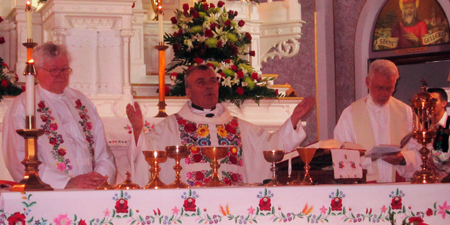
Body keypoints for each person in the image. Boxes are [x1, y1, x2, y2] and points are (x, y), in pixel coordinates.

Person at [126, 64, 315, 186]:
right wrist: (137, 130)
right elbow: (146, 152)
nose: (209, 86)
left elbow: (273, 146)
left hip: (232, 206)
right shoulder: (170, 127)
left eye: (213, 81)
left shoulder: (239, 127)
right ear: (188, 91)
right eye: (201, 82)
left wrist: (294, 119)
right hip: (189, 206)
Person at [2, 43, 116, 189]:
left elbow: (103, 153)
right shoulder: (22, 105)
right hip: (51, 193)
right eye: (54, 70)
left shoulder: (81, 101)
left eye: (64, 69)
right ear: (37, 71)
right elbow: (17, 158)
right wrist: (68, 183)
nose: (61, 75)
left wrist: (100, 179)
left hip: (92, 192)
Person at [334, 59, 421, 183]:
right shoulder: (350, 114)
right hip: (365, 187)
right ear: (368, 82)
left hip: (399, 185)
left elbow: (422, 150)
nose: (384, 94)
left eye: (389, 88)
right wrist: (369, 159)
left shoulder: (406, 112)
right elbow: (341, 155)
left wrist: (403, 158)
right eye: (379, 88)